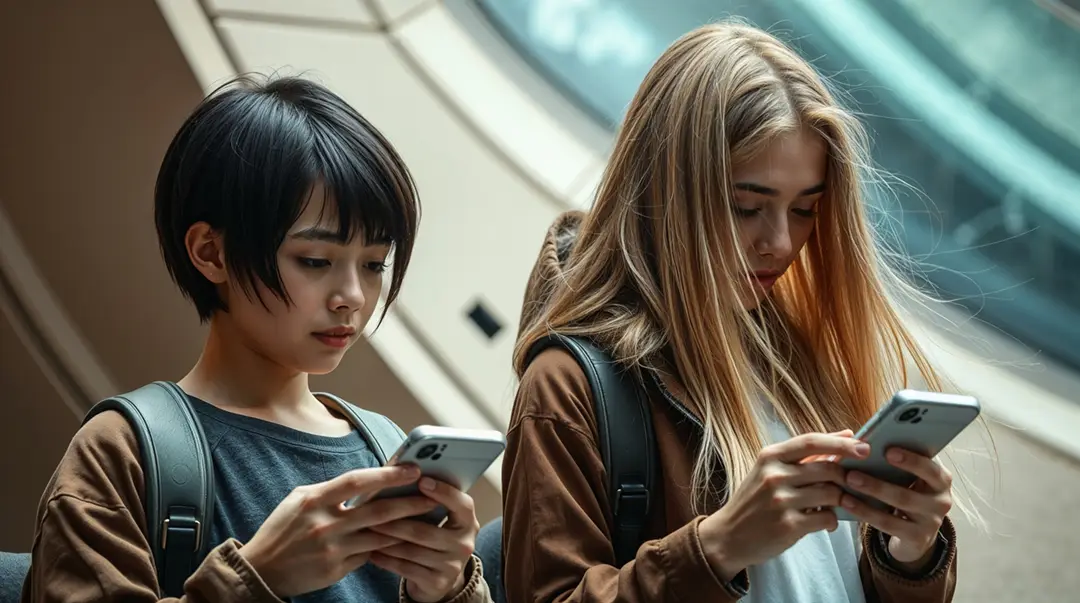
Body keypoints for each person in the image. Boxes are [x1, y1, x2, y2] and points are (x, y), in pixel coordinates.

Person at [503, 21, 968, 603]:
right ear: (662, 190)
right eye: (745, 206)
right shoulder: (568, 387)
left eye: (805, 209)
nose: (779, 241)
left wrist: (911, 550)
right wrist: (719, 547)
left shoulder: (801, 356)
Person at [22, 76, 491, 603]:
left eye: (374, 264)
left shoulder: (383, 450)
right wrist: (258, 578)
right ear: (210, 253)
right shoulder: (123, 452)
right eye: (315, 261)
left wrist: (450, 589)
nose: (353, 296)